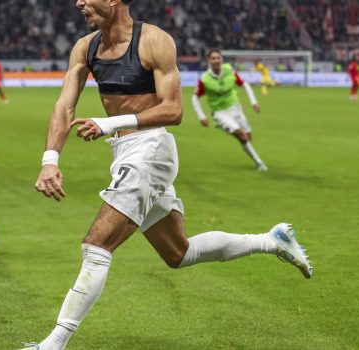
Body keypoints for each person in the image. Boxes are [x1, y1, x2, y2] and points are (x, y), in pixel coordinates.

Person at [29, 1, 312, 349]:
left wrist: (111, 122)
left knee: (96, 246)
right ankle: (272, 240)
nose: (79, 2)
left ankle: (51, 345)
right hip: (125, 151)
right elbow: (64, 106)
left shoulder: (153, 41)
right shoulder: (85, 47)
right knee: (179, 252)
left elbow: (174, 109)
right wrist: (49, 159)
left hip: (150, 150)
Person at [192, 49, 268, 172]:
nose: (216, 60)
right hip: (220, 113)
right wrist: (201, 116)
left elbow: (245, 84)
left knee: (248, 138)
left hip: (236, 109)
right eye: (213, 58)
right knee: (242, 136)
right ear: (209, 60)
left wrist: (253, 102)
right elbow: (195, 96)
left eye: (218, 58)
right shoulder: (205, 79)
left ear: (221, 59)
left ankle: (254, 157)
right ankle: (259, 162)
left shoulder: (230, 71)